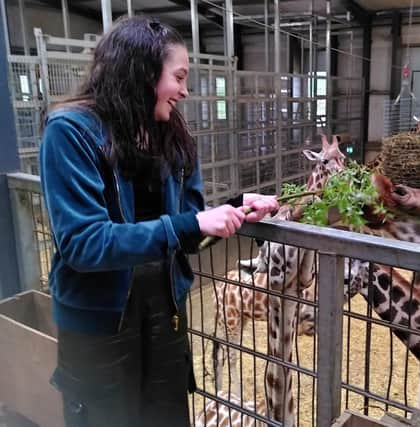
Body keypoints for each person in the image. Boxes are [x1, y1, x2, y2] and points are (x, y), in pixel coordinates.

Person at [38, 16, 278, 427]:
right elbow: (83, 242)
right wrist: (192, 224)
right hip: (101, 325)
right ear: (143, 71)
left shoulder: (173, 136)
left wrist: (233, 209)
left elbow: (188, 232)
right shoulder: (70, 132)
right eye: (179, 77)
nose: (185, 91)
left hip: (165, 312)